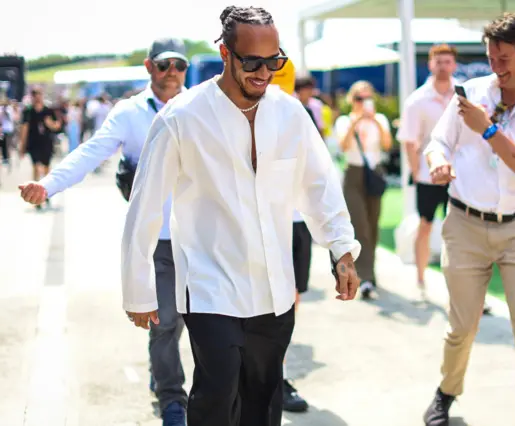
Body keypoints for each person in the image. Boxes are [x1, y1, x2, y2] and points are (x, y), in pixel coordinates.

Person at [120, 6, 361, 426]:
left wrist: (341, 249)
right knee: (217, 395)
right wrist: (138, 291)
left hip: (275, 291)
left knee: (263, 401)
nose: (263, 72)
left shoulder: (290, 114)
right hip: (211, 286)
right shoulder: (181, 118)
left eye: (274, 61)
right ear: (225, 53)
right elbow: (144, 206)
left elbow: (319, 185)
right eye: (251, 61)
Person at [17, 38, 191, 426]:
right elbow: (91, 152)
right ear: (149, 67)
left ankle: (166, 375)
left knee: (197, 321)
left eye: (179, 65)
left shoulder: (199, 106)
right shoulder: (129, 113)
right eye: (164, 65)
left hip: (198, 237)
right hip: (158, 237)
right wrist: (50, 185)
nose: (172, 73)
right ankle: (172, 400)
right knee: (163, 320)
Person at [423, 13, 515, 426]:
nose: (496, 67)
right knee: (461, 328)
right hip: (464, 225)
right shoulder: (470, 91)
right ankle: (446, 392)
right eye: (491, 57)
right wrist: (438, 163)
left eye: (504, 58)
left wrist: (487, 130)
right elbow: (439, 141)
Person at [397, 44, 457, 300]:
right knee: (425, 225)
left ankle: (459, 283)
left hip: (460, 175)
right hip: (428, 175)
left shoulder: (464, 94)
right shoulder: (417, 100)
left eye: (447, 61)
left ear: (454, 64)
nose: (443, 66)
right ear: (431, 64)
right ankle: (421, 280)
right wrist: (416, 171)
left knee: (459, 229)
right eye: (438, 61)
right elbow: (410, 141)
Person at [335, 80, 392, 299]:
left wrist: (374, 121)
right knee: (359, 225)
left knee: (373, 225)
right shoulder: (344, 120)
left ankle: (369, 273)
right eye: (359, 99)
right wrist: (356, 121)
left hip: (374, 173)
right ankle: (366, 277)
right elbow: (343, 146)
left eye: (367, 98)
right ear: (352, 100)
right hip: (353, 174)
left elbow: (387, 145)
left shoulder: (379, 120)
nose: (363, 103)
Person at [19, 87, 61, 208]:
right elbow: (24, 129)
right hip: (33, 143)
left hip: (46, 142)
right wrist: (22, 146)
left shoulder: (48, 110)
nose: (37, 97)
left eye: (39, 95)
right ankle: (36, 195)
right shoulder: (28, 111)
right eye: (35, 95)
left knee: (47, 168)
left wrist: (50, 124)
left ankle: (46, 192)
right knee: (36, 167)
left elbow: (57, 126)